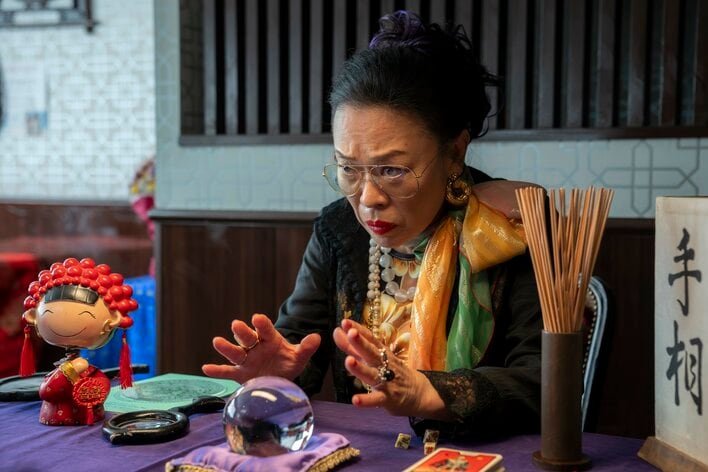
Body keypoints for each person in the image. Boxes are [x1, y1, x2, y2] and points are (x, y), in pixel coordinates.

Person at [203, 10, 542, 439]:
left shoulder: (507, 229)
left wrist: (430, 392)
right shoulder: (337, 230)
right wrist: (281, 375)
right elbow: (298, 342)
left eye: (392, 170)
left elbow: (544, 382)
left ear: (455, 152)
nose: (367, 199)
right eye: (349, 168)